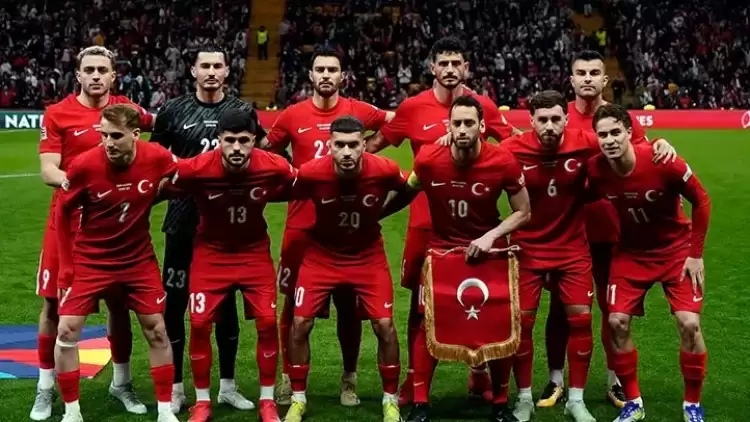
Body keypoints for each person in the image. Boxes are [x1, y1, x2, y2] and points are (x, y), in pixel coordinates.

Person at [366, 36, 520, 405]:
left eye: (456, 63)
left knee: (480, 298)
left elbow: (515, 143)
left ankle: (479, 372)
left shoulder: (483, 106)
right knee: (420, 307)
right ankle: (413, 382)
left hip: (475, 226)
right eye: (443, 63)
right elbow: (371, 148)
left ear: (466, 68)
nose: (450, 69)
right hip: (425, 223)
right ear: (432, 67)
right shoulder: (412, 108)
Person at [382, 95, 531, 422]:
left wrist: (491, 236)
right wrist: (372, 215)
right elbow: (406, 192)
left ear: (482, 126)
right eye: (457, 123)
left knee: (499, 325)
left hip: (488, 253)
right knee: (427, 322)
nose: (462, 129)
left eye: (469, 123)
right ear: (448, 126)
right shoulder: (428, 159)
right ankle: (421, 404)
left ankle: (500, 405)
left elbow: (524, 211)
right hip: (441, 252)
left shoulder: (502, 161)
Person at [540, 50, 675, 409]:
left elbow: (644, 153)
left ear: (605, 79)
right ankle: (555, 379)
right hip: (566, 232)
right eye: (581, 72)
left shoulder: (618, 118)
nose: (587, 78)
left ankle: (615, 381)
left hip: (612, 230)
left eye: (594, 72)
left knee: (612, 309)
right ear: (571, 79)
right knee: (560, 308)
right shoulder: (558, 116)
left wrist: (661, 143)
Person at [259, 48, 393, 407]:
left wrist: (371, 148)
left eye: (332, 69)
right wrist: (286, 168)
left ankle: (349, 380)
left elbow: (395, 122)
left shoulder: (358, 110)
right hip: (301, 225)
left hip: (346, 226)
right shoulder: (293, 114)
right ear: (311, 75)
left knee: (349, 307)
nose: (326, 75)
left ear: (342, 76)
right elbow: (266, 148)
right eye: (320, 69)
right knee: (293, 307)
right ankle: (289, 377)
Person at [32, 45, 153, 421]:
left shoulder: (126, 109)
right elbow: (48, 169)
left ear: (114, 76)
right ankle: (45, 387)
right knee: (53, 306)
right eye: (90, 70)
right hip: (67, 225)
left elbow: (158, 125)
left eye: (103, 70)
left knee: (120, 304)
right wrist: (80, 184)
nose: (96, 75)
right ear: (79, 75)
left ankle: (122, 383)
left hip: (114, 226)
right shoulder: (58, 113)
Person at [150, 44, 266, 413]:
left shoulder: (242, 112)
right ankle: (177, 387)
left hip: (226, 225)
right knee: (175, 306)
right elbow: (155, 161)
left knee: (226, 308)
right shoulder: (173, 111)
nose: (212, 72)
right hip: (182, 222)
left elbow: (263, 154)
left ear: (227, 71)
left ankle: (227, 385)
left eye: (218, 66)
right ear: (194, 71)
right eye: (206, 66)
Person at [164, 109, 293, 422]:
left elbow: (301, 182)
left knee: (266, 322)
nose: (237, 147)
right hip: (210, 254)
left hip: (253, 253)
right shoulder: (196, 167)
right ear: (219, 139)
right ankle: (202, 403)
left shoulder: (274, 165)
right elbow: (163, 182)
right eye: (230, 140)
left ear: (255, 141)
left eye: (244, 140)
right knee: (198, 324)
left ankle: (266, 401)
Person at [53, 104, 179, 422]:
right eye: (104, 135)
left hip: (138, 260)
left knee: (157, 330)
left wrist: (163, 191)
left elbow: (184, 172)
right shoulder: (84, 165)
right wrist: (66, 268)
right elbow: (62, 211)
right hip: (91, 260)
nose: (108, 143)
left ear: (136, 134)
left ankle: (165, 410)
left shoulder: (157, 157)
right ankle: (71, 412)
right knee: (66, 330)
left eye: (116, 136)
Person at [588, 104, 710, 422]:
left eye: (616, 132)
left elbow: (701, 200)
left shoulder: (662, 161)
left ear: (630, 132)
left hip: (675, 251)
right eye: (603, 135)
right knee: (616, 322)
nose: (610, 140)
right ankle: (634, 402)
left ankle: (692, 403)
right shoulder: (596, 171)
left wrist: (695, 254)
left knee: (689, 324)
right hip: (630, 254)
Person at [283, 116, 402, 422]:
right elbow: (283, 193)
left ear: (364, 145)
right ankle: (298, 398)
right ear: (330, 146)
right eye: (340, 145)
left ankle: (390, 400)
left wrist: (382, 211)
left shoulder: (385, 169)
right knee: (300, 322)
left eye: (353, 145)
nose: (347, 152)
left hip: (367, 255)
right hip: (321, 255)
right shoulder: (311, 172)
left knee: (384, 325)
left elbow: (408, 188)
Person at [501, 90, 601, 422]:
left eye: (556, 119)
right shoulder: (512, 149)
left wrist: (659, 143)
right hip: (527, 249)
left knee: (581, 319)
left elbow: (629, 144)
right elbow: (478, 161)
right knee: (522, 324)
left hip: (572, 248)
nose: (549, 126)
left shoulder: (585, 143)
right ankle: (524, 398)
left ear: (566, 119)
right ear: (530, 121)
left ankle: (576, 399)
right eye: (542, 119)